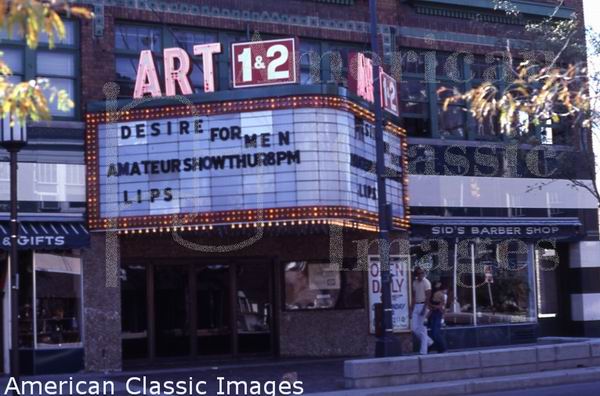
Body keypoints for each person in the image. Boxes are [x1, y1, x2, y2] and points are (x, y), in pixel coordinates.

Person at [410, 266, 433, 355]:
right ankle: (429, 342)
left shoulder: (427, 283)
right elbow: (414, 296)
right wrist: (411, 309)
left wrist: (424, 309)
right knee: (414, 328)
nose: (421, 275)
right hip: (416, 305)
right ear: (416, 274)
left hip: (423, 305)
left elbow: (428, 297)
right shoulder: (415, 283)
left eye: (422, 273)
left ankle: (423, 351)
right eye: (419, 273)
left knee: (423, 329)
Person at [428, 281, 448, 353]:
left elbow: (441, 306)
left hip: (437, 313)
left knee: (435, 332)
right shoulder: (435, 293)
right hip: (435, 313)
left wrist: (434, 307)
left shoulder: (440, 294)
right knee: (434, 332)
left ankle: (442, 348)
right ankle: (440, 348)